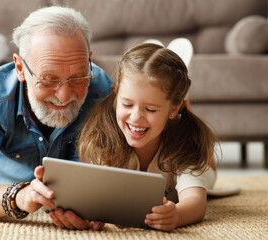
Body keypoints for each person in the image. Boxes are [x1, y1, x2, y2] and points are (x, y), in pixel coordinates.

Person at [0, 6, 111, 230]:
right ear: (20, 68)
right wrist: (20, 197)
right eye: (49, 79)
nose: (65, 95)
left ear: (89, 61)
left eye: (78, 76)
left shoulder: (103, 91)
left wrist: (93, 204)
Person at [76, 42, 225, 231]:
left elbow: (196, 203)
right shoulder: (104, 137)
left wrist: (176, 215)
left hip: (193, 156)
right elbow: (99, 195)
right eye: (127, 105)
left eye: (150, 109)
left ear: (173, 109)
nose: (136, 117)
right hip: (165, 115)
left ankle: (182, 100)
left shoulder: (187, 144)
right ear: (115, 98)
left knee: (205, 171)